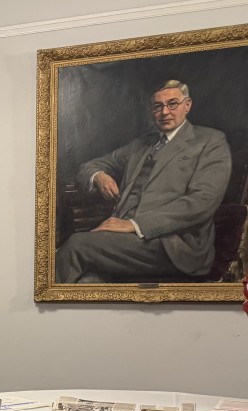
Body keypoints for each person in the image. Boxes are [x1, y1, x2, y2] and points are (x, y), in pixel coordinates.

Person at [56, 79, 232, 283]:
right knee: (87, 282)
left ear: (187, 105)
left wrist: (135, 224)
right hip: (123, 240)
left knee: (78, 245)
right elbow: (87, 167)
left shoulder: (210, 141)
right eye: (158, 106)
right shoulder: (140, 145)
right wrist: (99, 176)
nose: (165, 112)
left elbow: (202, 202)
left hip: (173, 245)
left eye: (172, 103)